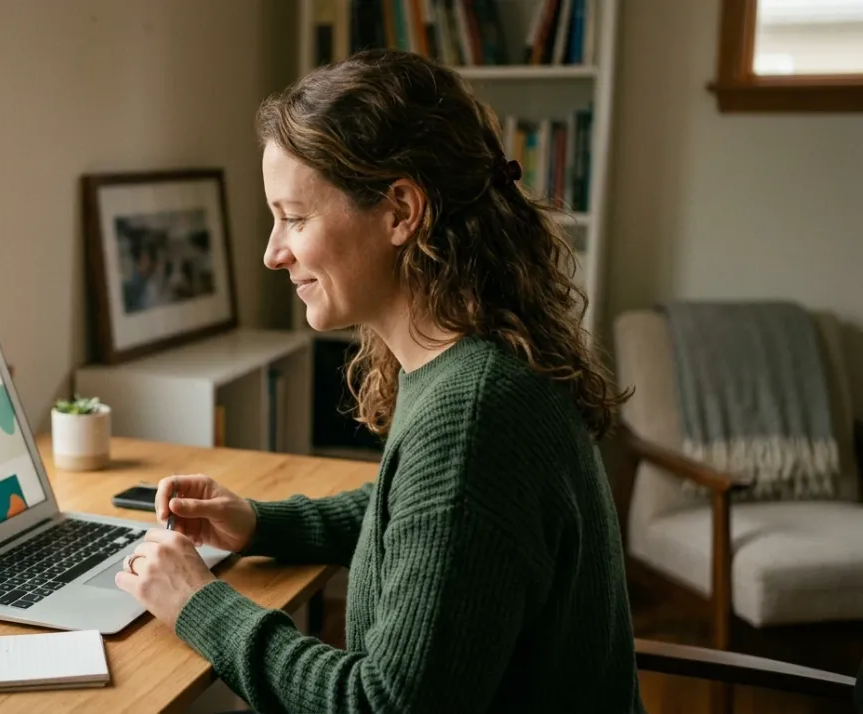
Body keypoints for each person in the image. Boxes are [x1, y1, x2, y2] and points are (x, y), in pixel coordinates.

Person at [113, 48, 645, 713]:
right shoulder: (474, 362)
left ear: (400, 211)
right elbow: (426, 519)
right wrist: (259, 523)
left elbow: (383, 706)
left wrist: (199, 604)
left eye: (295, 217)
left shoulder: (475, 416)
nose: (273, 253)